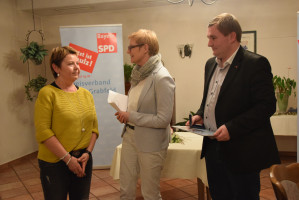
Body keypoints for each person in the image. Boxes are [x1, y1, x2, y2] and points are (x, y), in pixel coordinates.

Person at [187, 13, 281, 200]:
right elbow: (209, 99)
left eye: (213, 38)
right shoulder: (209, 65)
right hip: (213, 148)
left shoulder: (255, 64)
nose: (209, 44)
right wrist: (199, 115)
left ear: (231, 36)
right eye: (208, 38)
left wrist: (232, 128)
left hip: (242, 151)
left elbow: (267, 106)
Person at [115, 29, 175, 200]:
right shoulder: (137, 73)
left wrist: (131, 116)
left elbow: (163, 120)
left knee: (150, 193)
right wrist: (124, 114)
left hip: (151, 142)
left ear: (145, 48)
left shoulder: (162, 77)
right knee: (125, 190)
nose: (128, 51)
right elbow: (136, 105)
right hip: (130, 137)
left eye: (131, 47)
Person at [34, 46, 99, 200]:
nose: (77, 68)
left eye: (78, 63)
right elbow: (43, 132)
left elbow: (94, 129)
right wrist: (68, 160)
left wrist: (87, 153)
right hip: (55, 163)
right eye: (70, 64)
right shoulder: (47, 93)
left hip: (83, 160)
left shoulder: (86, 94)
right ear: (56, 67)